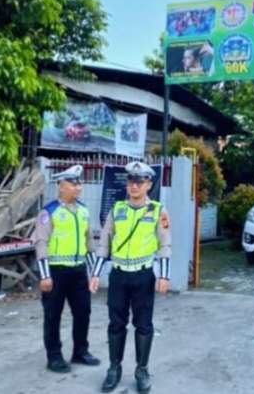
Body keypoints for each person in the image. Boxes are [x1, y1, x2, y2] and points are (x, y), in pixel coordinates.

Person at [89, 161, 172, 394]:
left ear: (148, 185)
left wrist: (164, 275)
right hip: (118, 276)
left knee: (143, 325)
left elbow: (165, 244)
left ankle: (141, 370)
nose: (134, 186)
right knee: (116, 323)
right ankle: (114, 368)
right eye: (131, 181)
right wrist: (95, 273)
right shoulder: (116, 210)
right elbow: (104, 244)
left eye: (139, 182)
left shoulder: (157, 210)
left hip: (143, 276)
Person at [33, 164, 100, 373]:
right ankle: (54, 356)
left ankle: (80, 351)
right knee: (53, 315)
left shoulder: (83, 210)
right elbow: (41, 243)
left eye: (79, 183)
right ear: (61, 185)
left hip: (79, 271)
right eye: (72, 183)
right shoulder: (49, 211)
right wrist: (45, 275)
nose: (77, 187)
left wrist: (93, 273)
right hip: (55, 272)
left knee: (83, 312)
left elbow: (89, 243)